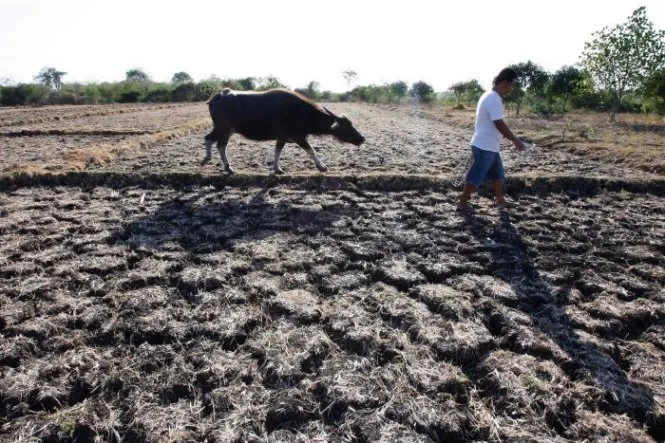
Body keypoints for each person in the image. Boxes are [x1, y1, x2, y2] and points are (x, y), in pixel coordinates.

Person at [458, 68, 526, 210]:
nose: (511, 89)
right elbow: (499, 123)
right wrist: (515, 139)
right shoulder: (493, 98)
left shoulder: (489, 96)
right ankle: (463, 201)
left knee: (497, 175)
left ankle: (500, 200)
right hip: (485, 145)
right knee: (476, 175)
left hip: (490, 145)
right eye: (511, 85)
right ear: (504, 83)